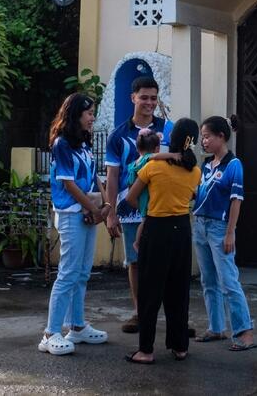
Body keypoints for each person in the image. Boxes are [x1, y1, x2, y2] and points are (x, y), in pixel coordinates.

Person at [120, 118, 201, 364]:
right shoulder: (195, 171)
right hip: (182, 231)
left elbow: (131, 199)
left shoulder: (153, 167)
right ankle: (179, 347)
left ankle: (146, 350)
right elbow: (193, 196)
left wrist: (149, 208)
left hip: (156, 229)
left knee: (149, 291)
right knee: (178, 291)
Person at [39, 93, 110, 356]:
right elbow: (68, 184)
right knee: (68, 273)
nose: (93, 118)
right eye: (89, 113)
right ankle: (50, 333)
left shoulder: (83, 143)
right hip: (71, 213)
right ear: (76, 114)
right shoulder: (61, 144)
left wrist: (106, 205)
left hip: (87, 212)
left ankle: (77, 326)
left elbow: (94, 177)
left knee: (82, 273)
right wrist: (96, 210)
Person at [104, 76, 174, 334]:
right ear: (132, 97)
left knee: (165, 262)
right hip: (131, 208)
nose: (149, 102)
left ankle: (172, 316)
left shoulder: (169, 129)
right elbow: (112, 177)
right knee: (135, 261)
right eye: (144, 97)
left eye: (153, 98)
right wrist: (110, 213)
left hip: (163, 207)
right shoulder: (118, 135)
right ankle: (139, 312)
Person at [191, 115, 257, 352]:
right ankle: (216, 327)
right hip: (199, 225)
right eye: (202, 137)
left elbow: (236, 200)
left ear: (221, 136)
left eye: (208, 136)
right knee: (208, 279)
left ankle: (245, 333)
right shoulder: (204, 166)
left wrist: (230, 232)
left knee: (228, 281)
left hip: (220, 229)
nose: (204, 141)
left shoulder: (233, 165)